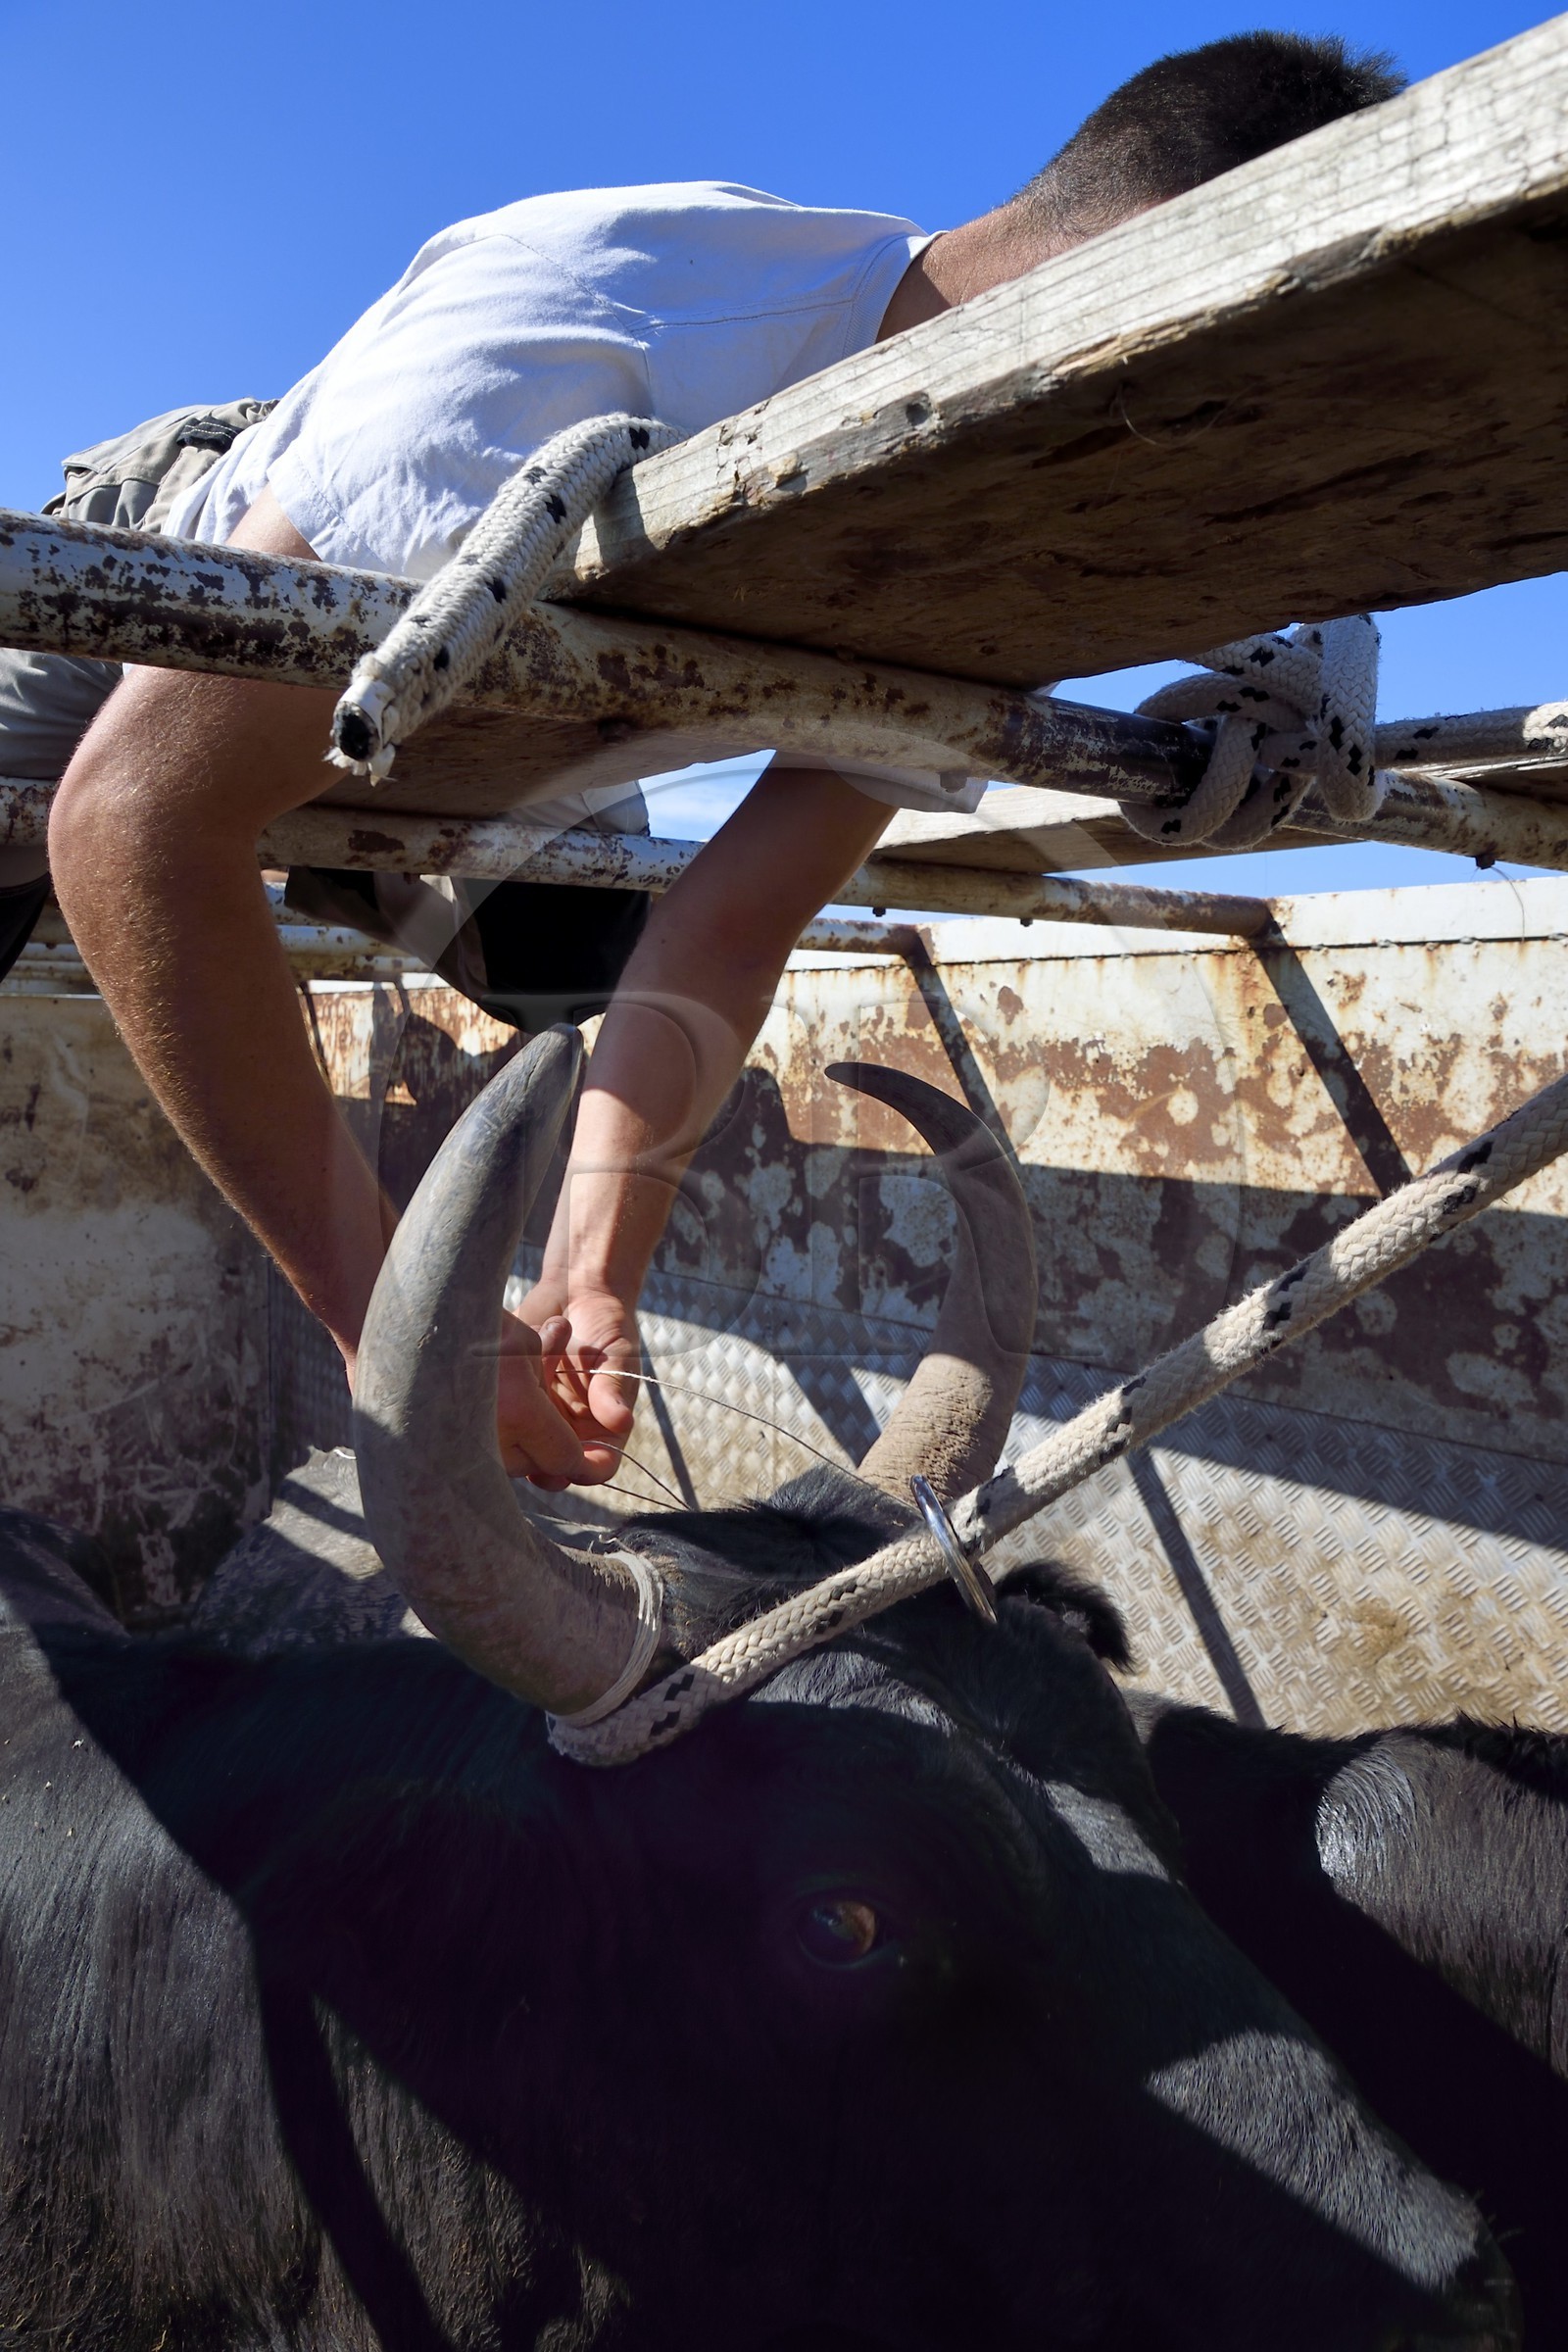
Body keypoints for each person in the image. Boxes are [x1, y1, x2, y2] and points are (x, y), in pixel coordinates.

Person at [43, 31, 1400, 1488]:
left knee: (598, 994)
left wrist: (591, 1271)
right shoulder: (587, 322)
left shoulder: (998, 542)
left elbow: (735, 917)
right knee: (83, 855)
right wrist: (390, 1321)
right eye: (1223, 420)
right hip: (152, 616)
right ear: (1143, 273)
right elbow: (129, 818)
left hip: (489, 734)